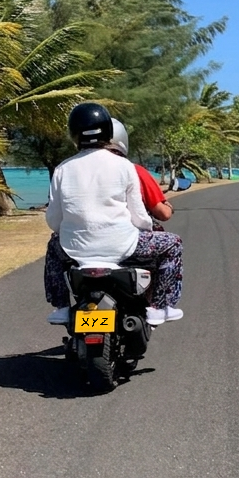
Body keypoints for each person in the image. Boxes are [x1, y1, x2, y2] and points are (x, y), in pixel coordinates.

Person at [44, 103, 184, 327]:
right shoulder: (124, 166)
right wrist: (147, 228)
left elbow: (54, 220)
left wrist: (70, 232)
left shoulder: (62, 169)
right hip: (122, 245)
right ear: (108, 132)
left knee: (53, 246)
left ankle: (61, 307)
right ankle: (159, 307)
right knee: (173, 244)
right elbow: (138, 215)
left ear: (74, 134)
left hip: (75, 249)